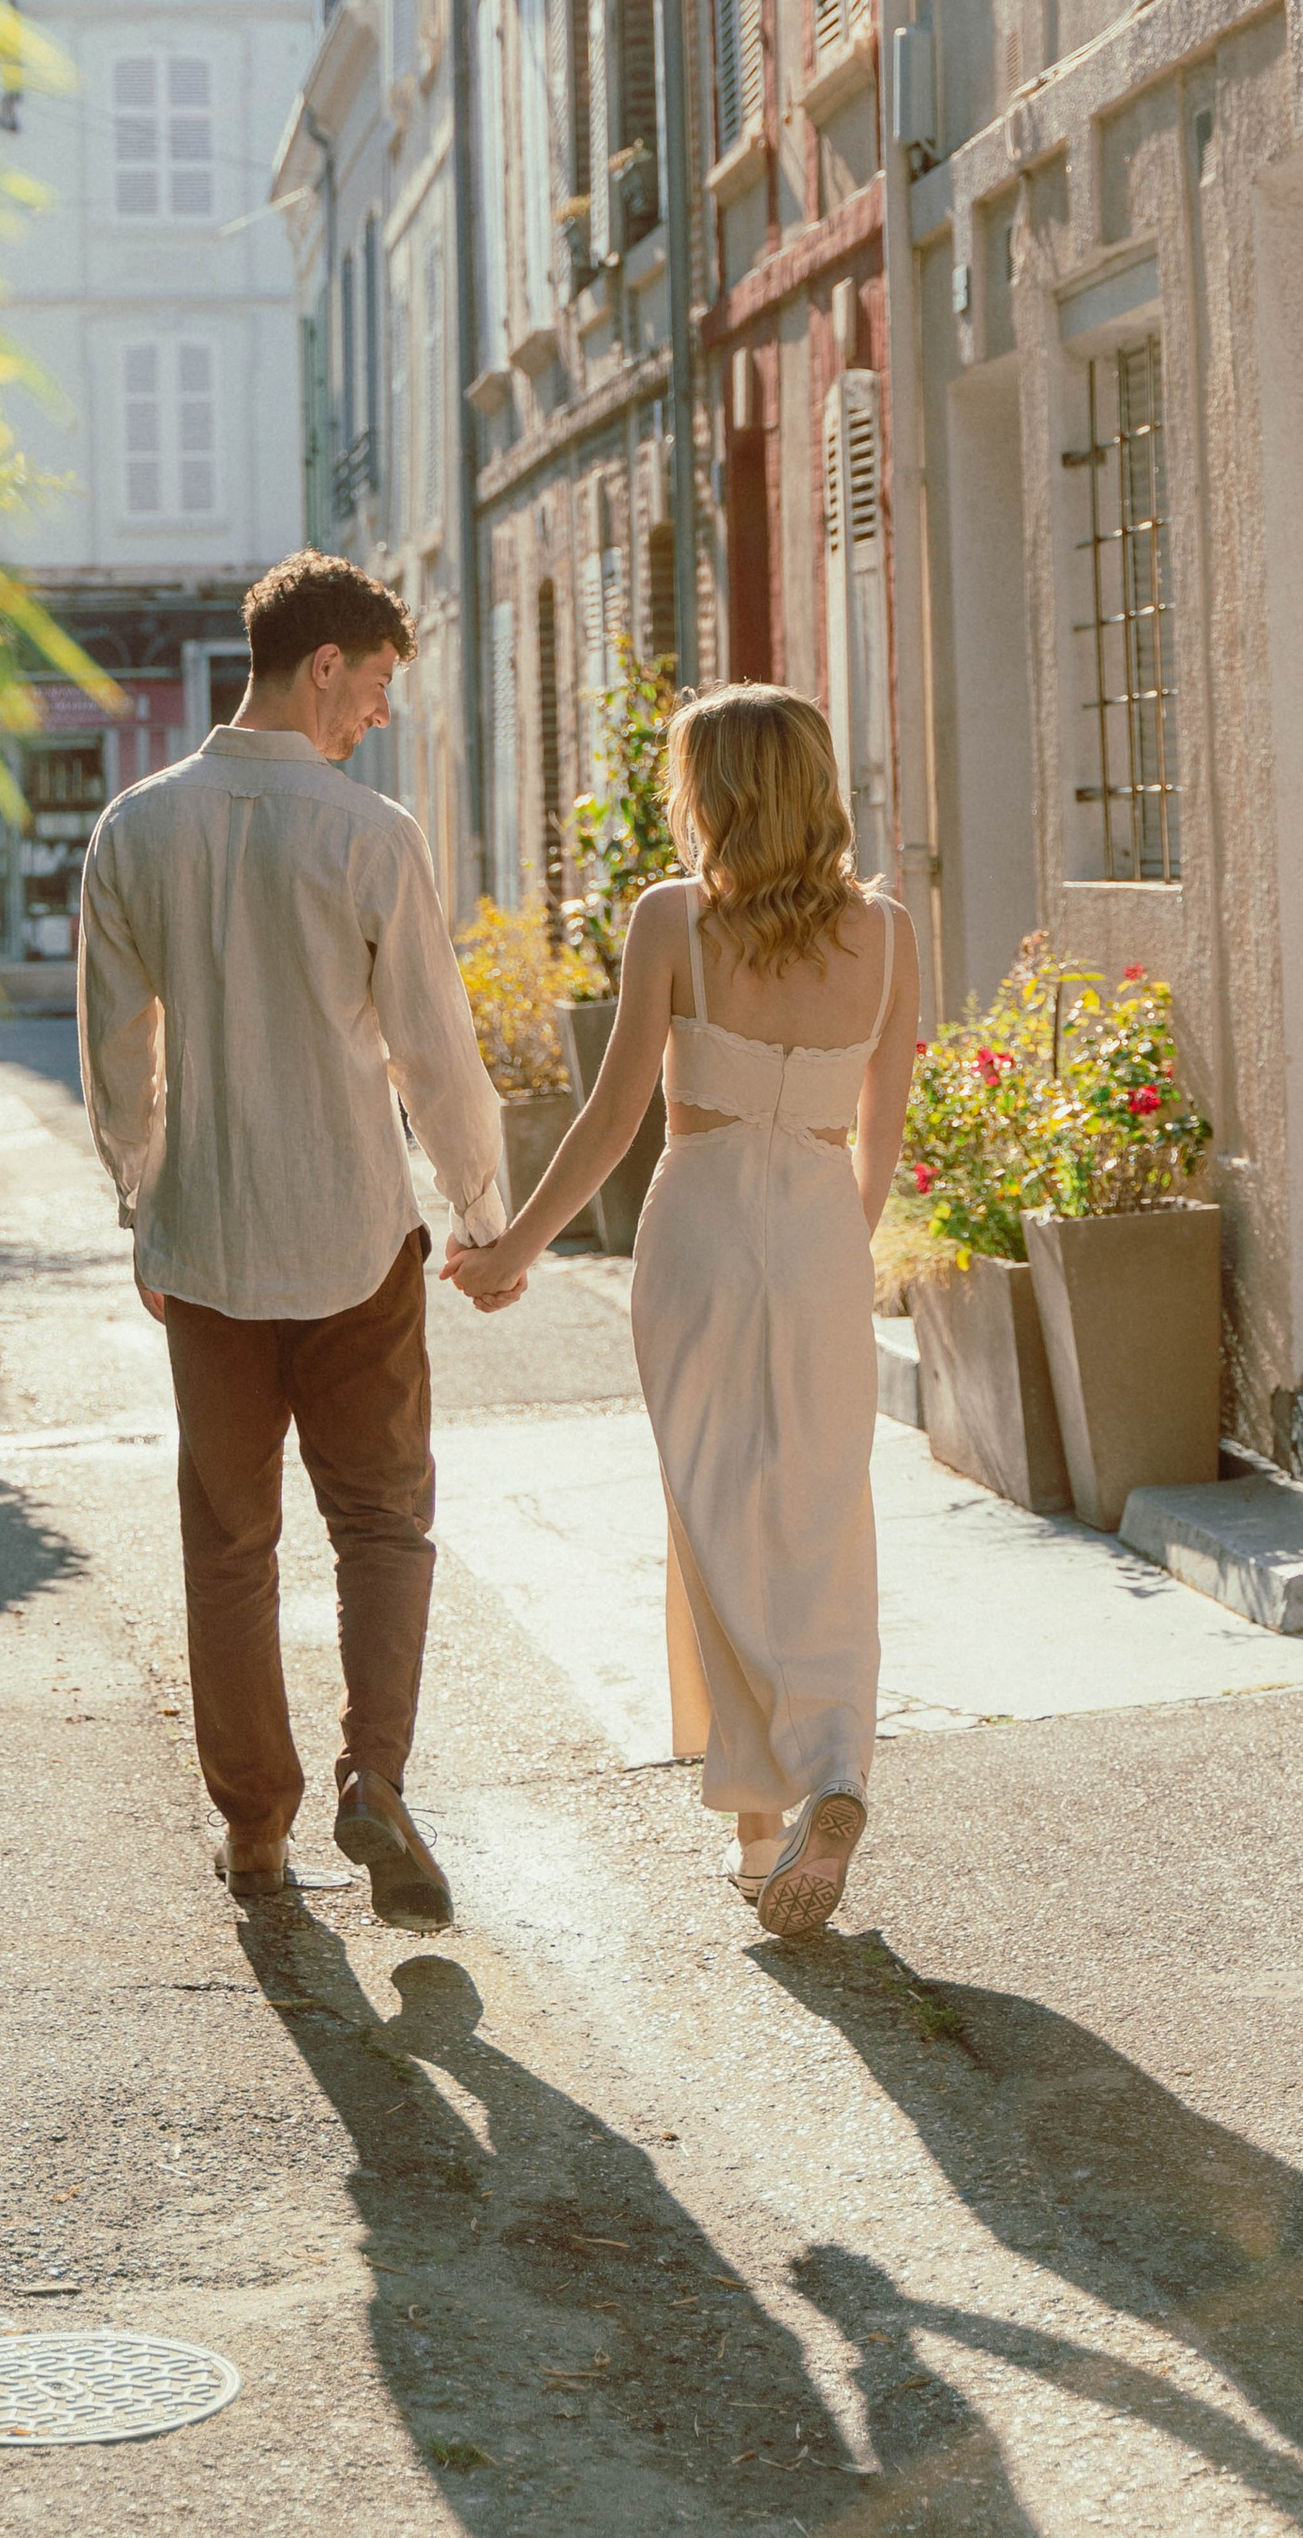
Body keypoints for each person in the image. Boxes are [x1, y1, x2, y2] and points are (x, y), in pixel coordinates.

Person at [76, 551, 509, 1929]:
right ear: (323, 664)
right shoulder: (370, 834)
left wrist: (142, 1200)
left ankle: (254, 1831)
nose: (378, 714)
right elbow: (433, 1050)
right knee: (381, 1520)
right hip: (353, 1236)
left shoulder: (135, 829)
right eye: (374, 684)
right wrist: (482, 1209)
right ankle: (373, 1777)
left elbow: (117, 1055)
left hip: (207, 1243)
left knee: (229, 1542)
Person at [445, 684, 919, 1941]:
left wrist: (510, 1250)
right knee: (819, 1509)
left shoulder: (673, 920)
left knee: (713, 1513)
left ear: (713, 791)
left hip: (699, 1227)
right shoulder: (886, 932)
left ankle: (763, 1825)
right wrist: (837, 1244)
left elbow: (612, 1118)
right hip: (820, 1229)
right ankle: (830, 1771)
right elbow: (883, 1130)